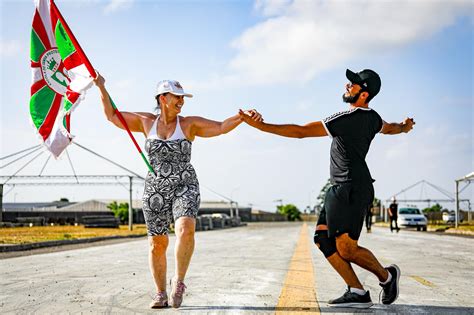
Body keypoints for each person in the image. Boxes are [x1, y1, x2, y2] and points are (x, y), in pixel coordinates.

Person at [239, 69, 415, 308]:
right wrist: (404, 127)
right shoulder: (373, 118)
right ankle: (357, 291)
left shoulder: (345, 119)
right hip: (341, 189)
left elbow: (300, 132)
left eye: (352, 85)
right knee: (323, 239)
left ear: (363, 94)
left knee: (347, 248)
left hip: (351, 187)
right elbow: (390, 127)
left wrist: (261, 126)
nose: (347, 86)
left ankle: (387, 276)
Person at [94, 75, 261, 309]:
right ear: (163, 98)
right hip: (155, 189)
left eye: (183, 98)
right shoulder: (145, 122)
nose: (181, 101)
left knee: (185, 229)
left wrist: (241, 118)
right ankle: (160, 293)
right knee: (157, 243)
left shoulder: (189, 124)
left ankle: (179, 282)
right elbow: (112, 116)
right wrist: (101, 87)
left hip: (185, 184)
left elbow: (221, 127)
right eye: (177, 97)